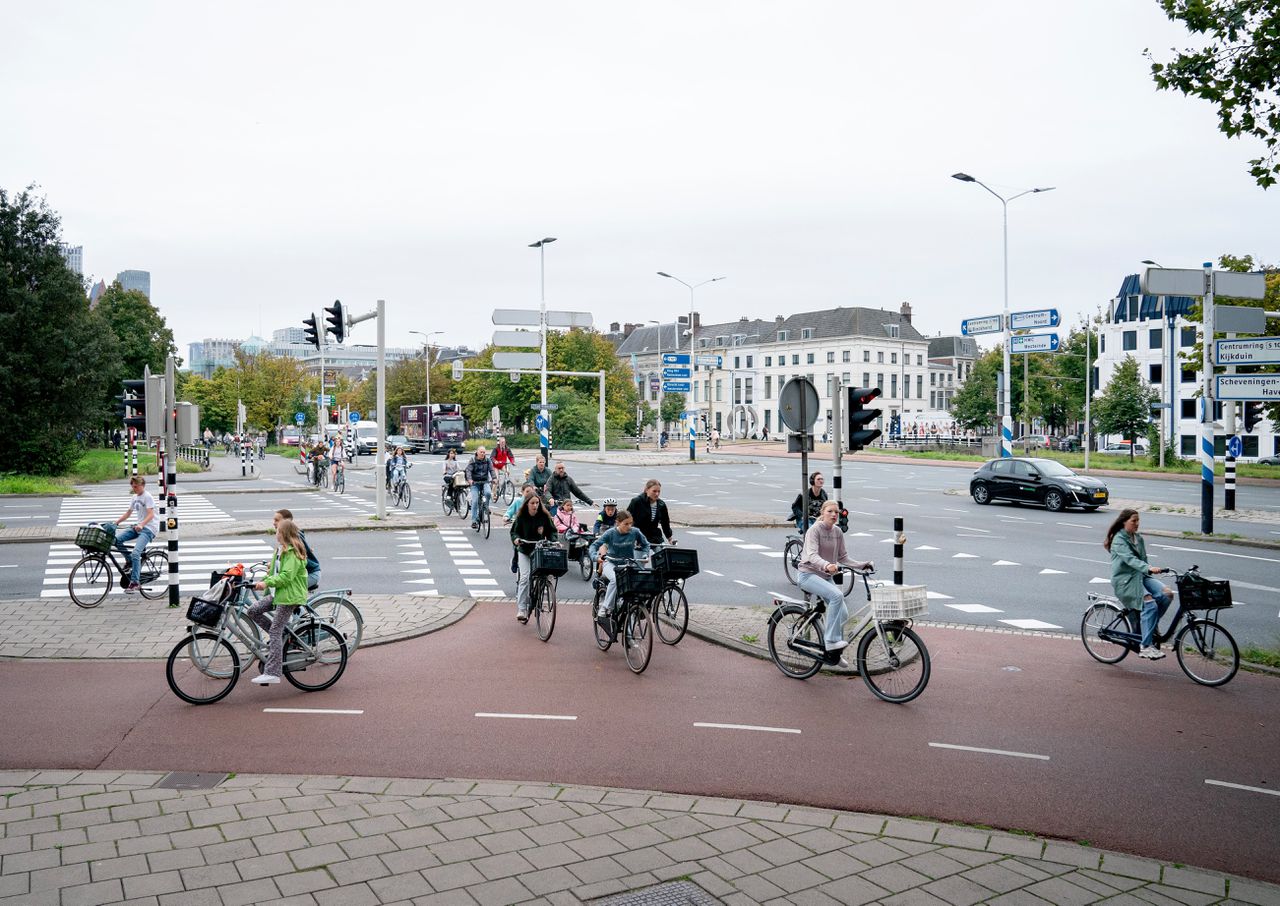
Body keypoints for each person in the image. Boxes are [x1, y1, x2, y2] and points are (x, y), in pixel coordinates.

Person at [798, 500, 873, 666]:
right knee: (837, 595)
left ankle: (833, 655)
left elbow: (843, 556)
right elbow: (811, 555)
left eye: (836, 512)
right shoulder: (814, 530)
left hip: (824, 577)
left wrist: (862, 564)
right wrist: (827, 565)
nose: (834, 515)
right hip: (808, 574)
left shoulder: (837, 531)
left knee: (843, 614)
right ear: (823, 512)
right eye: (830, 511)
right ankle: (831, 641)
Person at [248, 517, 310, 685]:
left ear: (284, 534)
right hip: (279, 594)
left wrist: (266, 583)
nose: (275, 533)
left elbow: (286, 577)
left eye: (277, 531)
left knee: (275, 631)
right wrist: (258, 582)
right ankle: (280, 637)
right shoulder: (280, 550)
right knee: (253, 610)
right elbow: (273, 573)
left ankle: (273, 672)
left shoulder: (292, 553)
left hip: (289, 597)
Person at [1105, 509, 1173, 659]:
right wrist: (1148, 568)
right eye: (1133, 521)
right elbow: (1130, 560)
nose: (1137, 523)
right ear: (1124, 522)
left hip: (1140, 577)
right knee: (1150, 604)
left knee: (1167, 594)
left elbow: (1143, 558)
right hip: (1125, 581)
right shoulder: (1118, 539)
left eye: (1138, 520)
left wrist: (1149, 570)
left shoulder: (1138, 538)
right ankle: (1145, 646)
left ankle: (1150, 625)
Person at [588, 509, 651, 626]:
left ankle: (632, 615)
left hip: (627, 564)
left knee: (641, 581)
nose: (629, 526)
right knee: (615, 579)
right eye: (626, 524)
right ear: (618, 523)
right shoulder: (610, 533)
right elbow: (594, 546)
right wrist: (596, 558)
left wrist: (645, 554)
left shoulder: (635, 532)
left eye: (630, 523)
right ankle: (605, 608)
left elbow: (646, 544)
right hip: (610, 563)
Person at [510, 493, 558, 623]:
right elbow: (514, 532)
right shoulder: (521, 517)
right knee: (525, 577)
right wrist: (516, 540)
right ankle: (521, 609)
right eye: (532, 503)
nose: (535, 505)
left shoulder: (544, 516)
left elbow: (552, 531)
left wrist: (554, 541)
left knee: (547, 575)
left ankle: (543, 595)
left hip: (539, 550)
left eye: (537, 503)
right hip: (525, 550)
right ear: (527, 504)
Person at [112, 476, 161, 594]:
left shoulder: (147, 497)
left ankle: (135, 582)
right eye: (132, 486)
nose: (134, 488)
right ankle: (129, 561)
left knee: (136, 553)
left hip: (149, 528)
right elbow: (128, 513)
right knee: (116, 540)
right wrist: (116, 522)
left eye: (136, 486)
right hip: (138, 526)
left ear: (142, 485)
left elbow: (151, 515)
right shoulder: (134, 497)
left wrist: (142, 525)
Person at [273, 509, 321, 590]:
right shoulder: (291, 535)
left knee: (287, 590)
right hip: (306, 572)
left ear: (287, 521)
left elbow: (295, 559)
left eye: (277, 520)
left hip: (311, 573)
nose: (273, 523)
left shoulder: (295, 536)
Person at [627, 479, 674, 546]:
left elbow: (665, 522)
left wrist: (670, 538)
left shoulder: (661, 505)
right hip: (639, 535)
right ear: (647, 490)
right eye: (654, 491)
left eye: (658, 491)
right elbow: (626, 518)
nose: (657, 494)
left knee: (661, 554)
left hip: (655, 536)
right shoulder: (637, 502)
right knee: (642, 555)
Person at [465, 446, 497, 529]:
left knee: (488, 493)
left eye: (484, 452)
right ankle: (474, 521)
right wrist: (470, 480)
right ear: (477, 452)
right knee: (475, 501)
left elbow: (491, 470)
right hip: (475, 483)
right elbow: (468, 471)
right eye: (481, 452)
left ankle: (486, 507)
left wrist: (494, 478)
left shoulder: (487, 460)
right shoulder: (472, 460)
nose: (483, 454)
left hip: (484, 481)